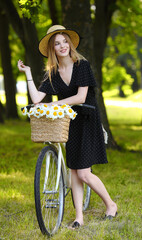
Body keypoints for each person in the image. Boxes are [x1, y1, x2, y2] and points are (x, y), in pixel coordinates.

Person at [17, 25, 117, 229]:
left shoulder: (81, 65)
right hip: (68, 121)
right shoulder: (52, 73)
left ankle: (111, 204)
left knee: (83, 173)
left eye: (65, 42)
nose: (62, 46)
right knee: (73, 171)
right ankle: (79, 217)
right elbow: (36, 99)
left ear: (70, 44)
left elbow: (81, 97)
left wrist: (54, 104)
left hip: (87, 119)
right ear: (52, 49)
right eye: (57, 43)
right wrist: (27, 73)